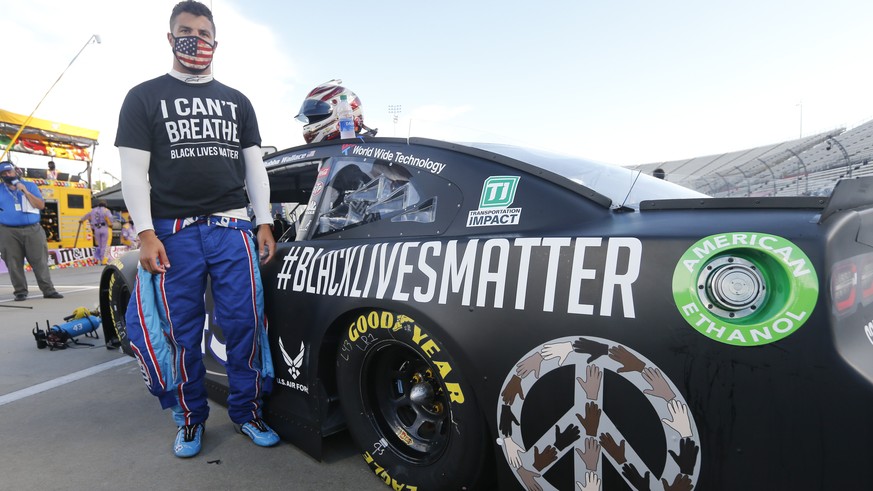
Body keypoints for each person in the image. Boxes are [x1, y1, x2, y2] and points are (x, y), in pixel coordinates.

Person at [115, 0, 278, 458]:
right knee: (180, 332)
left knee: (244, 324)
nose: (195, 40)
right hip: (174, 232)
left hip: (232, 228)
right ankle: (189, 418)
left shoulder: (238, 100)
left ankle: (248, 413)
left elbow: (255, 169)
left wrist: (262, 221)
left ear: (215, 41)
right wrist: (145, 232)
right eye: (186, 31)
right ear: (170, 38)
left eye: (204, 33)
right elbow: (133, 172)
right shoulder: (143, 96)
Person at [0, 161, 64, 301]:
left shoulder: (30, 186)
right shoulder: (0, 189)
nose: (7, 175)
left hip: (32, 229)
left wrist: (25, 191)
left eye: (9, 172)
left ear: (15, 171)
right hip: (8, 231)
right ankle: (20, 291)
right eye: (3, 174)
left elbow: (40, 205)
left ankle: (48, 290)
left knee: (39, 260)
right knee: (13, 262)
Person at [295, 79, 377, 143]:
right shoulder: (315, 153)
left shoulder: (363, 147)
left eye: (318, 113)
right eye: (312, 116)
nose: (312, 119)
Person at [79, 199, 114, 265]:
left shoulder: (93, 210)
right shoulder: (106, 210)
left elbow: (87, 216)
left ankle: (100, 259)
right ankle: (104, 261)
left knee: (99, 245)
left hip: (96, 229)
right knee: (105, 245)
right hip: (104, 228)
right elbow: (110, 218)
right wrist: (111, 224)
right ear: (105, 205)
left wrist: (81, 220)